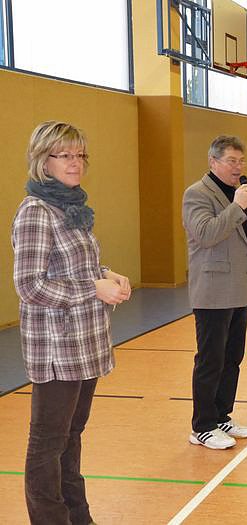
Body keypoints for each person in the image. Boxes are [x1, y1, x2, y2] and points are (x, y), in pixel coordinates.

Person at [12, 121, 131, 524]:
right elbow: (30, 285)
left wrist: (107, 274)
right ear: (42, 161)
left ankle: (79, 517)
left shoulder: (71, 208)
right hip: (56, 349)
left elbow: (75, 267)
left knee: (71, 438)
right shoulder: (35, 212)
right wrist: (93, 288)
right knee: (48, 445)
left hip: (85, 343)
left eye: (79, 154)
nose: (75, 162)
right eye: (64, 155)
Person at [182, 135, 247, 450]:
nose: (238, 167)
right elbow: (206, 234)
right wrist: (236, 207)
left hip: (240, 289)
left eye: (241, 161)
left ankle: (221, 416)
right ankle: (202, 426)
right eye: (231, 161)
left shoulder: (238, 193)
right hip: (213, 291)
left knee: (232, 358)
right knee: (211, 359)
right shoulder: (197, 194)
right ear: (213, 162)